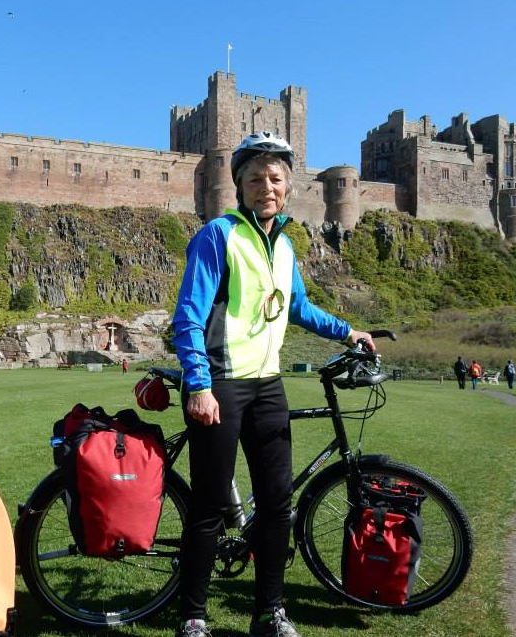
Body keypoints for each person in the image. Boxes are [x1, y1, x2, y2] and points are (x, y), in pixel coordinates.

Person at [171, 131, 376, 637]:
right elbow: (188, 318)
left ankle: (269, 612)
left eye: (276, 178)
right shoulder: (218, 236)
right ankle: (193, 615)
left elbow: (299, 308)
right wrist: (198, 385)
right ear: (239, 184)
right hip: (219, 384)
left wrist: (347, 330)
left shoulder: (283, 246)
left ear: (288, 188)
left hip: (267, 386)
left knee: (276, 506)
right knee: (210, 506)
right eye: (256, 177)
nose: (268, 186)